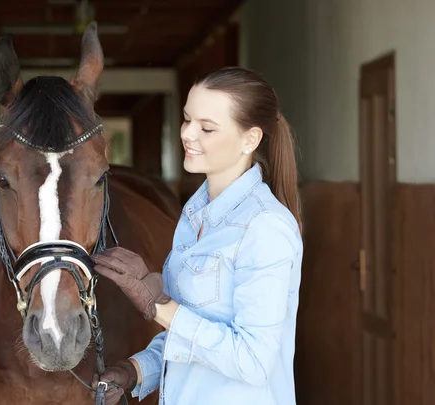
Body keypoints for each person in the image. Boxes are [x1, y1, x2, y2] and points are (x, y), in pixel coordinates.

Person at [91, 66, 303, 405]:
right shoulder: (194, 215)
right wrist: (135, 371)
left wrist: (157, 305)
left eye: (207, 128)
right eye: (188, 119)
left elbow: (251, 360)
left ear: (250, 139)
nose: (188, 134)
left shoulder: (265, 227)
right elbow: (193, 337)